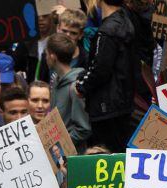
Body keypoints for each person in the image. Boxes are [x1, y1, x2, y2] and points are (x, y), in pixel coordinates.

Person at [75, 0, 139, 151]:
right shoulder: (126, 21)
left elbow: (100, 69)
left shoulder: (107, 32)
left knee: (108, 154)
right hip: (122, 104)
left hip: (107, 109)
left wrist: (81, 86)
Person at [46, 34, 91, 151]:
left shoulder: (75, 87)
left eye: (46, 54)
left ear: (52, 56)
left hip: (73, 156)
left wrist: (61, 144)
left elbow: (83, 129)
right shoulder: (55, 81)